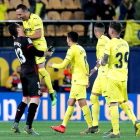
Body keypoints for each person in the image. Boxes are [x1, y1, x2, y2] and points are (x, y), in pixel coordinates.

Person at [97, 21, 140, 138]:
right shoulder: (125, 43)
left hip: (113, 76)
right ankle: (136, 121)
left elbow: (105, 61)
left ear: (111, 31)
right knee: (122, 102)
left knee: (113, 103)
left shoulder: (110, 43)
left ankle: (116, 132)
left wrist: (100, 62)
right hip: (124, 77)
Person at [9, 23, 52, 135]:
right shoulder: (25, 39)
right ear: (18, 29)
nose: (22, 26)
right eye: (20, 26)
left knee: (25, 99)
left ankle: (16, 124)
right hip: (31, 72)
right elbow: (34, 51)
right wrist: (46, 53)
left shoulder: (16, 42)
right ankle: (28, 126)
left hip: (23, 72)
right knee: (35, 99)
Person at [48, 31, 93, 133]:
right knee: (70, 102)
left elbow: (63, 65)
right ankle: (63, 126)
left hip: (78, 80)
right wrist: (87, 79)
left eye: (66, 38)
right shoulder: (81, 48)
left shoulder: (72, 50)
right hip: (79, 79)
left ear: (69, 39)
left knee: (82, 103)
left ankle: (92, 126)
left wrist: (52, 65)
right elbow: (87, 65)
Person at [16, 4, 57, 106]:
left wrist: (24, 37)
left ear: (26, 11)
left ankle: (52, 93)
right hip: (31, 47)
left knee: (41, 70)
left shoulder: (36, 19)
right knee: (32, 70)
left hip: (39, 46)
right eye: (17, 15)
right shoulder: (24, 20)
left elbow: (38, 35)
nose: (18, 17)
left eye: (20, 14)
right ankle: (36, 90)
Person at [80, 22, 110, 134]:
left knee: (110, 101)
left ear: (94, 31)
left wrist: (99, 65)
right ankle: (95, 126)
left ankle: (115, 127)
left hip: (105, 74)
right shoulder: (105, 39)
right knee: (93, 98)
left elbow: (104, 60)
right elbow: (102, 60)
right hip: (101, 73)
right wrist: (94, 69)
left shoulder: (102, 41)